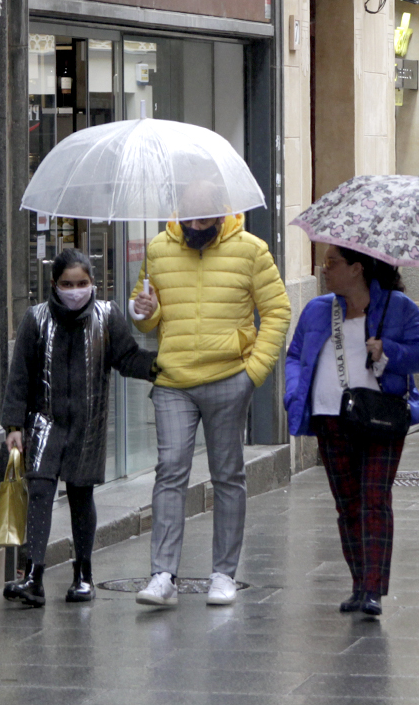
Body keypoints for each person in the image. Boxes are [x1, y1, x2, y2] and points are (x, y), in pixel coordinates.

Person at [130, 187, 290, 608]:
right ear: (180, 212)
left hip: (229, 377)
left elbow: (277, 310)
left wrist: (253, 373)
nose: (198, 226)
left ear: (222, 212)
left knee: (228, 475)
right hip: (174, 380)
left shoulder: (251, 250)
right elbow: (145, 315)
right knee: (170, 471)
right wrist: (144, 311)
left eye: (206, 219)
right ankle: (162, 575)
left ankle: (224, 574)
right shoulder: (159, 247)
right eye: (191, 219)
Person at [284, 246, 419, 616]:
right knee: (348, 504)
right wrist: (293, 395)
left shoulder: (398, 307)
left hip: (379, 416)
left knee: (374, 499)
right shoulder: (318, 309)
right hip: (329, 417)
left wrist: (389, 350)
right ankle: (358, 583)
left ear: (357, 268)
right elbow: (294, 355)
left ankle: (372, 589)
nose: (324, 269)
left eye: (332, 262)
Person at [1, 249, 158, 607]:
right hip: (44, 421)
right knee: (39, 492)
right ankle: (34, 576)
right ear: (54, 285)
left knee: (81, 495)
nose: (76, 290)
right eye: (68, 284)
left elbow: (127, 357)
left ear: (93, 284)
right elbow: (20, 376)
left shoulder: (107, 317)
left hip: (88, 422)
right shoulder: (35, 319)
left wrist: (163, 365)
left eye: (82, 283)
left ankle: (83, 575)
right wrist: (13, 424)